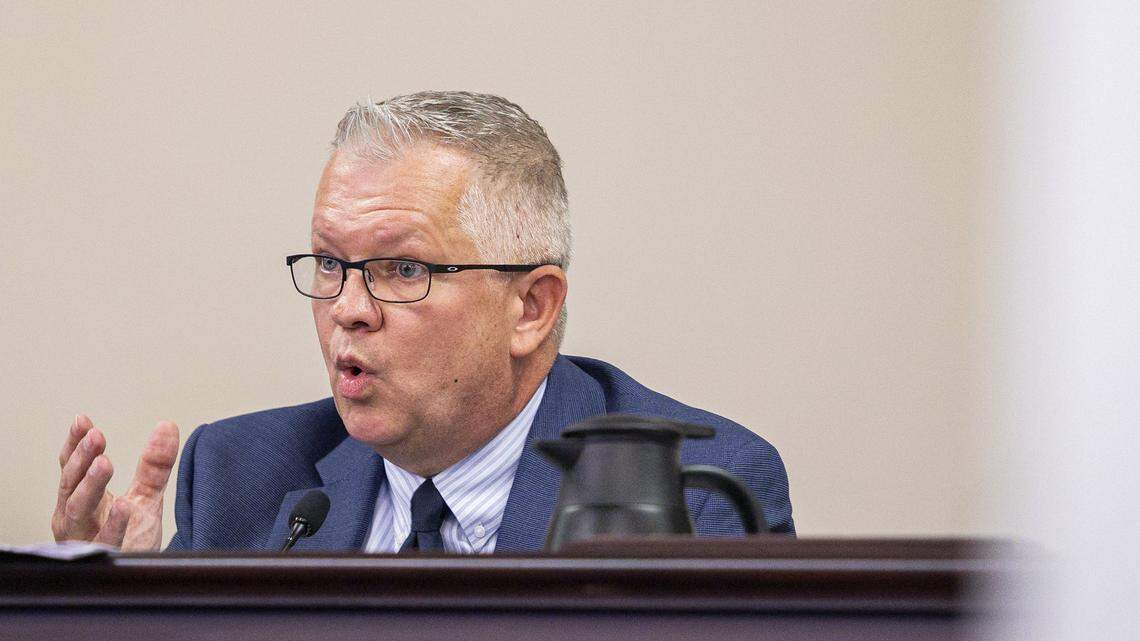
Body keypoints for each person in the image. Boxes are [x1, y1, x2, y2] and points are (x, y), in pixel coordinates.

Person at [51, 91, 794, 553]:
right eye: (330, 264)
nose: (346, 307)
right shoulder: (241, 477)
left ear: (530, 308)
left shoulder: (692, 493)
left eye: (402, 270)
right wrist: (107, 608)